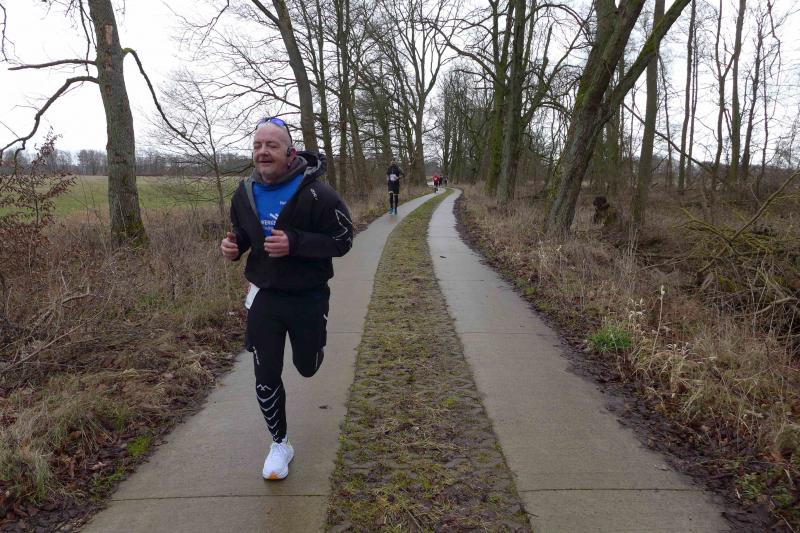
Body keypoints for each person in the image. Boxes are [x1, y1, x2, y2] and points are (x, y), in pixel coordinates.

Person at [219, 117, 353, 480]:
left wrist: (295, 242)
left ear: (290, 152)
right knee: (265, 374)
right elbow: (243, 233)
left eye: (272, 145)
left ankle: (314, 348)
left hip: (309, 296)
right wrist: (235, 246)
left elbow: (343, 240)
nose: (263, 152)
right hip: (264, 296)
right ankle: (280, 444)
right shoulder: (244, 192)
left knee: (307, 367)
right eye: (257, 145)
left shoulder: (319, 194)